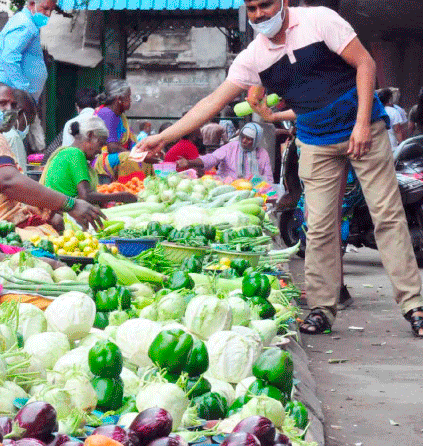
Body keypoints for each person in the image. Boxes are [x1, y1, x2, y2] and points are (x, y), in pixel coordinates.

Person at [135, 0, 423, 337]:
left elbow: (365, 63)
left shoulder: (320, 21)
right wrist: (163, 137)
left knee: (387, 215)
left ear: (283, 2)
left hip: (363, 129)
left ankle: (414, 306)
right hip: (316, 141)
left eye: (266, 5)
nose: (259, 14)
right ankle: (321, 309)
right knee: (318, 227)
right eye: (252, 8)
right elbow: (211, 102)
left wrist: (361, 125)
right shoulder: (254, 57)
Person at [0, 80, 105, 232]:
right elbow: (8, 181)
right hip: (6, 226)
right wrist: (70, 204)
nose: (10, 111)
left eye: (13, 105)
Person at [42, 115, 138, 206]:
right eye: (100, 144)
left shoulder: (67, 152)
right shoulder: (76, 154)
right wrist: (121, 196)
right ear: (90, 135)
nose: (100, 150)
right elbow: (86, 196)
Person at [0, 0, 55, 99]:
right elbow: (9, 57)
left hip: (10, 90)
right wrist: (23, 91)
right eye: (45, 8)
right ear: (32, 4)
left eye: (51, 10)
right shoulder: (25, 24)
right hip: (10, 92)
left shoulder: (26, 22)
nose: (48, 14)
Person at [177, 122, 273, 182]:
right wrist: (189, 162)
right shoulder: (231, 147)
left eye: (249, 139)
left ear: (256, 140)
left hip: (253, 192)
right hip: (227, 188)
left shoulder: (263, 153)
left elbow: (268, 177)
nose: (244, 140)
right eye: (243, 137)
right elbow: (212, 158)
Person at [94, 79, 136, 179]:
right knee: (134, 160)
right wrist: (134, 155)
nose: (130, 100)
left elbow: (130, 141)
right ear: (119, 99)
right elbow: (112, 147)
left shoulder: (120, 116)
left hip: (114, 156)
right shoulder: (107, 113)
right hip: (102, 159)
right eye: (128, 97)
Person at [0, 83, 28, 172]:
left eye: (13, 105)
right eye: (2, 103)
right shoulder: (11, 137)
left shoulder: (11, 136)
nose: (9, 108)